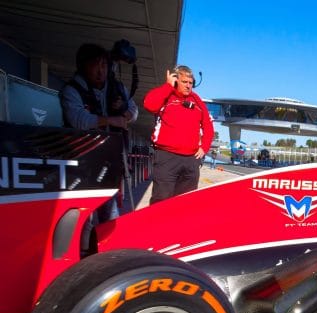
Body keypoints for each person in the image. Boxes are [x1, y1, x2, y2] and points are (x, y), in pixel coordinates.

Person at [60, 43, 138, 222]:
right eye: (95, 65)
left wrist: (125, 111)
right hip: (82, 161)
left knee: (110, 212)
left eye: (104, 65)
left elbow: (134, 111)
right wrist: (111, 120)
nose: (101, 70)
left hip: (109, 160)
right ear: (82, 66)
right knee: (82, 216)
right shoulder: (72, 90)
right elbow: (79, 120)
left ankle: (108, 246)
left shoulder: (116, 87)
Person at [143, 65, 213, 204]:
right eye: (184, 82)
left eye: (190, 83)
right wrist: (168, 86)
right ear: (176, 81)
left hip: (191, 160)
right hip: (167, 157)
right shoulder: (166, 95)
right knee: (161, 200)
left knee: (185, 203)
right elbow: (150, 105)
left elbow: (208, 125)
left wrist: (204, 147)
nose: (188, 86)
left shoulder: (197, 100)